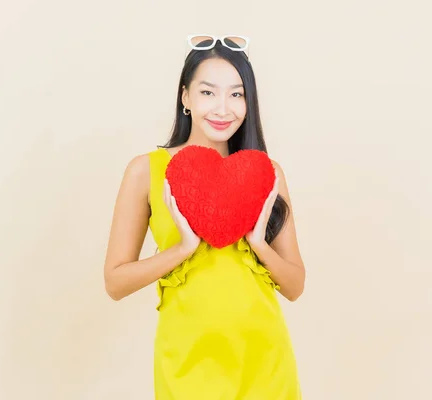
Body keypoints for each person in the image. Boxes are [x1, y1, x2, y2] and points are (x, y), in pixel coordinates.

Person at [103, 35, 305, 399]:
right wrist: (182, 249)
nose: (223, 108)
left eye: (236, 94)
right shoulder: (145, 171)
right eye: (208, 92)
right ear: (185, 97)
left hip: (264, 360)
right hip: (188, 362)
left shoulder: (267, 173)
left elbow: (295, 285)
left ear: (248, 102)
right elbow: (115, 282)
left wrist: (259, 243)